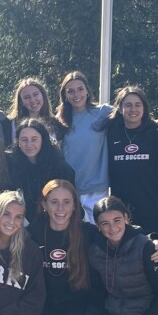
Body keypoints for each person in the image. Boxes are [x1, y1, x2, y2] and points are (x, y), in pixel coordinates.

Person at [23, 180, 106, 315]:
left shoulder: (88, 232)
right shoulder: (33, 233)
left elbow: (120, 234)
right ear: (44, 205)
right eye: (54, 202)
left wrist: (153, 240)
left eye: (67, 202)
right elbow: (0, 238)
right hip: (43, 304)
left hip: (76, 304)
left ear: (75, 205)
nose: (61, 208)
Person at [106, 85, 158, 239]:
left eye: (137, 105)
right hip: (121, 211)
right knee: (125, 257)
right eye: (127, 105)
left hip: (153, 208)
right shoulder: (111, 133)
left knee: (152, 256)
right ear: (120, 108)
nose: (132, 109)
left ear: (144, 108)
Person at [56, 71, 112, 223]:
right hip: (69, 190)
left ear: (87, 90)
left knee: (96, 237)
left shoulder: (103, 112)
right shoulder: (59, 121)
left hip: (97, 191)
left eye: (80, 89)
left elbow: (133, 116)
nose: (76, 95)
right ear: (65, 95)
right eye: (70, 91)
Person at [6, 118, 76, 226]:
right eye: (24, 140)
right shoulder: (11, 164)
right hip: (21, 223)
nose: (29, 144)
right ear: (18, 141)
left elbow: (71, 201)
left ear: (43, 140)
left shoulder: (59, 167)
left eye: (34, 139)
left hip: (54, 222)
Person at [8, 77, 61, 144]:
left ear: (43, 95)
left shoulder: (56, 123)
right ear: (21, 102)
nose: (32, 100)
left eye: (36, 95)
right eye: (27, 97)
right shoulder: (10, 124)